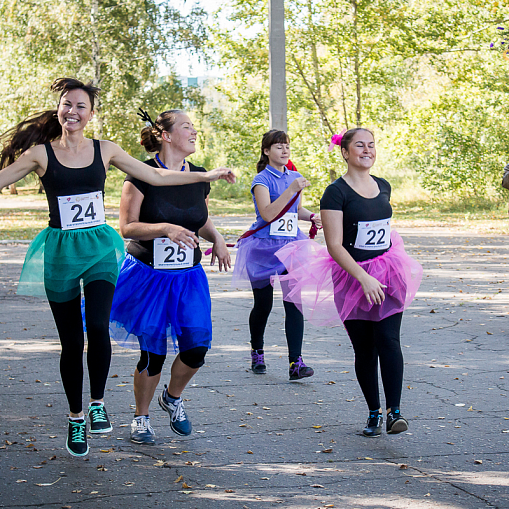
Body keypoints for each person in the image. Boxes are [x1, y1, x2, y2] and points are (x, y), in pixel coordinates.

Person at [0, 78, 235, 457]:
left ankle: (98, 403)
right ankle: (77, 418)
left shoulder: (105, 149)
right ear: (59, 110)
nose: (72, 111)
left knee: (97, 326)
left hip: (99, 249)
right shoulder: (41, 155)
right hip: (60, 250)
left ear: (91, 115)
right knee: (72, 342)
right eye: (67, 104)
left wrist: (205, 176)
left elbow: (157, 176)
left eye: (81, 106)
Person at [273, 128, 422, 436]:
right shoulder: (335, 192)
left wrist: (382, 270)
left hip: (388, 272)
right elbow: (335, 245)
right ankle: (373, 412)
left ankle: (395, 412)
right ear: (345, 152)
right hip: (352, 277)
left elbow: (383, 231)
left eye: (371, 145)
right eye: (359, 146)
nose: (367, 150)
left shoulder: (383, 186)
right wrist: (364, 277)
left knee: (389, 340)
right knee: (365, 349)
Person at [108, 109, 231, 444]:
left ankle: (172, 398)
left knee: (197, 346)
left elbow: (199, 218)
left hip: (188, 276)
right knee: (153, 352)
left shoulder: (200, 175)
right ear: (165, 135)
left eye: (194, 126)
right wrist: (165, 228)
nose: (194, 131)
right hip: (148, 276)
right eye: (187, 127)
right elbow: (127, 228)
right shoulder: (141, 174)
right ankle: (141, 417)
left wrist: (217, 239)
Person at [231, 129, 321, 380]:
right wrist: (291, 188)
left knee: (294, 303)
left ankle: (296, 362)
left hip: (292, 245)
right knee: (263, 304)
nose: (284, 150)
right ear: (266, 151)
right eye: (278, 146)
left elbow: (296, 210)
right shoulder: (262, 180)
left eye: (287, 146)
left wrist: (312, 216)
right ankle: (257, 351)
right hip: (263, 248)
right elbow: (269, 214)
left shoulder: (295, 177)